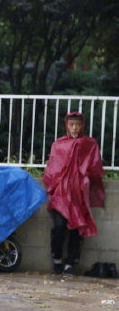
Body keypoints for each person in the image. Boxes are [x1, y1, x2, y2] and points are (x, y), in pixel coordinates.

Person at [43, 112, 104, 276]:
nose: (74, 128)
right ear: (66, 125)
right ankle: (57, 258)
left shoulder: (89, 144)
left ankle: (71, 263)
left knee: (77, 229)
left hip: (78, 194)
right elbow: (51, 169)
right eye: (71, 124)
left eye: (77, 124)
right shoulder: (58, 145)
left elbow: (96, 167)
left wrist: (84, 174)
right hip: (61, 195)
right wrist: (55, 186)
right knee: (59, 226)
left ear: (82, 125)